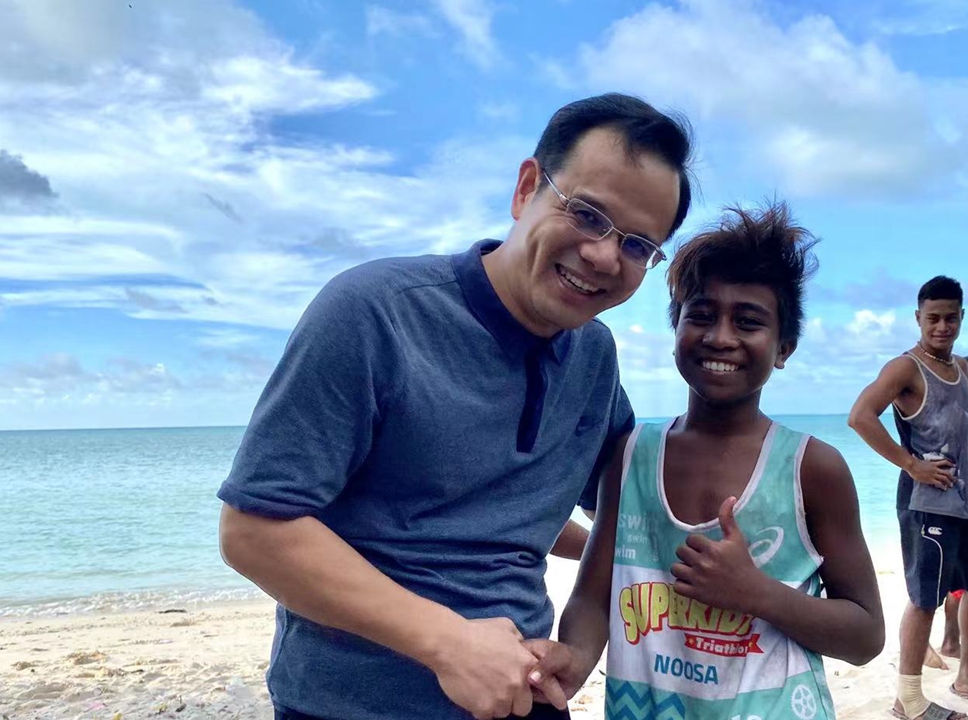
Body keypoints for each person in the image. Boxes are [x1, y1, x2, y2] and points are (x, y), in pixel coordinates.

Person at [215, 93, 695, 720]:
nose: (605, 255)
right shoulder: (374, 312)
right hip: (349, 706)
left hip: (525, 698)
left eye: (637, 245)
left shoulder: (594, 358)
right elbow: (253, 530)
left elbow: (628, 514)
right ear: (527, 189)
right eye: (586, 215)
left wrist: (579, 647)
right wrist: (448, 645)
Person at [529, 202, 885, 718]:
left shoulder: (812, 468)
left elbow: (866, 636)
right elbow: (593, 593)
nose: (720, 336)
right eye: (700, 315)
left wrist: (757, 592)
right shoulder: (629, 454)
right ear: (676, 330)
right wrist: (578, 657)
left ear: (783, 347)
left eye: (748, 321)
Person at [849, 276, 968, 720]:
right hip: (927, 504)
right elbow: (860, 417)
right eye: (933, 318)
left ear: (962, 317)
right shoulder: (905, 368)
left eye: (950, 317)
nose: (942, 326)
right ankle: (908, 698)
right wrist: (910, 464)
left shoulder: (961, 367)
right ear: (918, 319)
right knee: (926, 599)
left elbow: (965, 425)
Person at [926, 355, 968, 669]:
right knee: (940, 587)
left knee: (959, 585)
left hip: (966, 510)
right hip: (945, 513)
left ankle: (950, 642)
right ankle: (943, 643)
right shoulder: (949, 417)